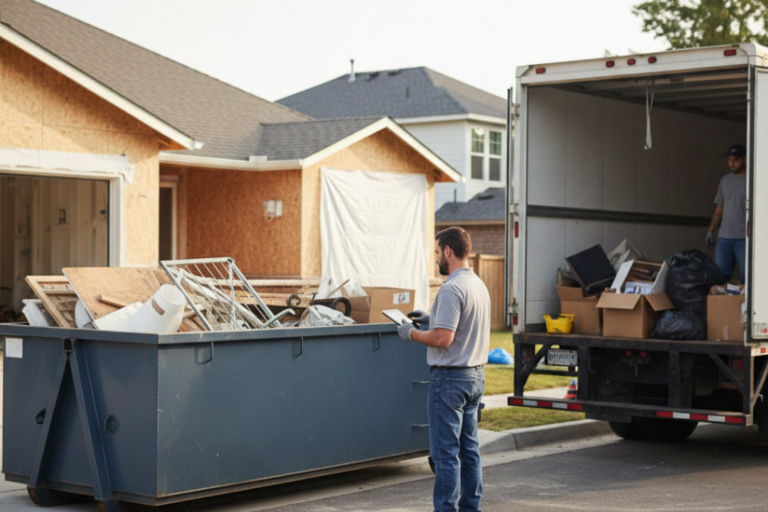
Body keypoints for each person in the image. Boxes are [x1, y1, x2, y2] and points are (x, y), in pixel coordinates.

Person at [396, 226, 491, 512]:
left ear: (448, 251)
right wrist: (432, 317)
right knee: (469, 452)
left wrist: (410, 333)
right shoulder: (477, 284)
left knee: (445, 455)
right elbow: (459, 325)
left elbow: (443, 338)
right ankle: (471, 508)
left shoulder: (451, 288)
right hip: (475, 377)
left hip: (450, 381)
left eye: (437, 252)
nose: (436, 257)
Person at [706, 144, 747, 283]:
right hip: (724, 238)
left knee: (746, 278)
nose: (731, 164)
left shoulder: (752, 181)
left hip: (744, 238)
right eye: (729, 160)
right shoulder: (725, 181)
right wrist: (711, 230)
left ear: (745, 159)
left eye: (735, 160)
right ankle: (722, 305)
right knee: (719, 278)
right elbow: (719, 209)